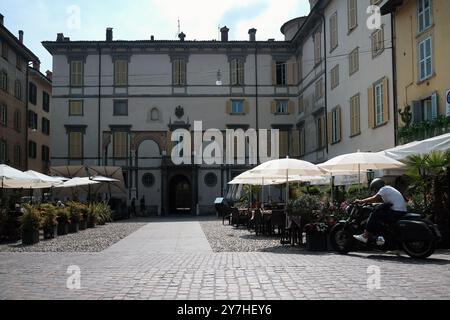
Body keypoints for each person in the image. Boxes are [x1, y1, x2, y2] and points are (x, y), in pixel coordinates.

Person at [353, 178, 407, 244]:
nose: (375, 191)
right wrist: (374, 204)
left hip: (395, 212)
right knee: (380, 213)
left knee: (374, 214)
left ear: (377, 186)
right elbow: (387, 203)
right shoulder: (389, 188)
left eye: (374, 189)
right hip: (401, 211)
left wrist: (361, 201)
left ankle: (365, 236)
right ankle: (380, 236)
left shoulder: (383, 189)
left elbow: (374, 198)